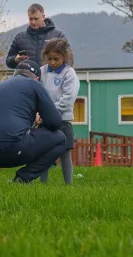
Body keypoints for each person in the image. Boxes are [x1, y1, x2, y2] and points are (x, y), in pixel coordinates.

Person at [0, 60, 67, 183]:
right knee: (61, 138)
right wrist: (41, 121)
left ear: (15, 74)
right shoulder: (34, 85)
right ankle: (23, 178)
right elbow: (55, 122)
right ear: (36, 78)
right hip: (12, 148)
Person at [37, 38, 79, 185]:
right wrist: (39, 113)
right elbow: (37, 94)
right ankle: (43, 184)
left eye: (56, 59)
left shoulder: (69, 73)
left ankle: (69, 185)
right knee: (43, 152)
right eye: (49, 59)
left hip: (63, 120)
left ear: (65, 57)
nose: (53, 62)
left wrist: (50, 112)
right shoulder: (42, 72)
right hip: (44, 120)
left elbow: (68, 98)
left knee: (64, 153)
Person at [5, 3, 67, 69]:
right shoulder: (19, 38)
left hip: (51, 77)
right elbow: (8, 61)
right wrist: (15, 60)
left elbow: (68, 58)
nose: (33, 22)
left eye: (36, 19)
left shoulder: (58, 35)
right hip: (27, 78)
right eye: (30, 19)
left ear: (43, 17)